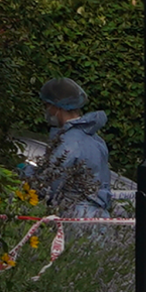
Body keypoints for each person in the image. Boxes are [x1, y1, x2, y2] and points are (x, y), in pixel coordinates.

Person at [36, 78, 112, 218]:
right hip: (100, 217)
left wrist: (27, 174)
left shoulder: (67, 143)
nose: (47, 111)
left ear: (57, 107)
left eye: (47, 106)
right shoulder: (95, 139)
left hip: (74, 218)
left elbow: (51, 183)